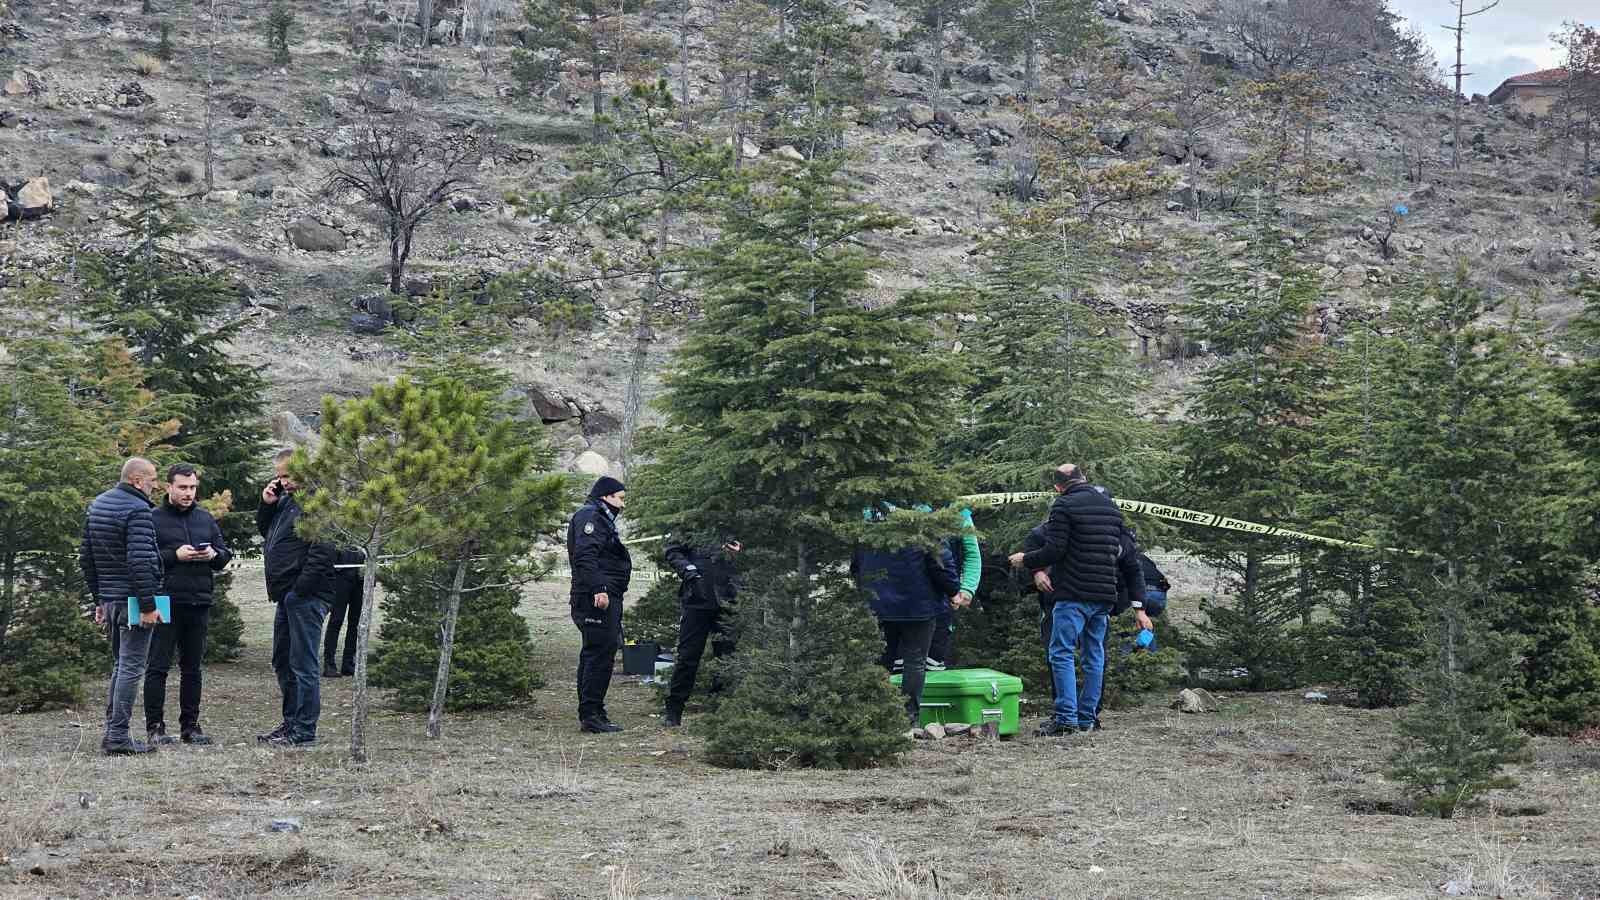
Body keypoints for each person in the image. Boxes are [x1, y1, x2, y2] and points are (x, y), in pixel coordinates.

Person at [1008, 464, 1131, 738]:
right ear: (1083, 478)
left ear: (1058, 487)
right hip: (1104, 595)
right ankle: (1087, 718)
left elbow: (1055, 549)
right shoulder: (1110, 507)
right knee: (1094, 655)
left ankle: (1065, 719)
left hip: (1073, 593)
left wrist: (1026, 560)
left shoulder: (1063, 505)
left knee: (1061, 653)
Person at [80, 457, 165, 755]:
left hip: (112, 599)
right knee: (131, 666)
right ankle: (117, 736)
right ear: (136, 480)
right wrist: (148, 605)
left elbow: (86, 558)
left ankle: (113, 729)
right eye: (152, 479)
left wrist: (99, 600)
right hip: (133, 600)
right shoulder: (138, 509)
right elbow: (140, 561)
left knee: (121, 664)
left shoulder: (98, 504)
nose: (156, 485)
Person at [145, 463, 232, 746]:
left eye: (192, 487)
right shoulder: (152, 518)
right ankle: (155, 727)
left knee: (192, 668)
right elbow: (143, 558)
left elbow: (224, 554)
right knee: (158, 666)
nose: (188, 493)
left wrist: (212, 554)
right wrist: (174, 555)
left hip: (198, 601)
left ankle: (190, 727)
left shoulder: (205, 518)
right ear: (168, 487)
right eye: (183, 487)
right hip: (164, 600)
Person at [853, 510, 967, 725]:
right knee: (915, 662)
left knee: (880, 662)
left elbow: (856, 567)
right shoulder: (926, 527)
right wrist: (954, 592)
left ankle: (877, 716)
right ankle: (908, 718)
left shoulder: (868, 529)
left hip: (879, 606)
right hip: (919, 608)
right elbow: (941, 565)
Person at [256, 448, 336, 747]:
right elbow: (269, 533)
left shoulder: (319, 503)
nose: (282, 481)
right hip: (287, 595)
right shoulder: (287, 500)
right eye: (278, 476)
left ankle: (304, 730)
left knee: (303, 663)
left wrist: (299, 589)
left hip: (306, 596)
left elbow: (323, 551)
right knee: (282, 660)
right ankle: (290, 723)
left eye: (287, 475)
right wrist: (267, 505)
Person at [567, 476, 632, 734]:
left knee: (598, 652)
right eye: (620, 498)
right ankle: (591, 714)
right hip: (595, 597)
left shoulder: (601, 517)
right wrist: (599, 588)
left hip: (603, 594)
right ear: (606, 496)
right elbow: (585, 555)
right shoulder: (591, 517)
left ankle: (592, 710)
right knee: (598, 653)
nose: (622, 505)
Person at [661, 536, 743, 728]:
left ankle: (720, 708)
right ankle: (674, 710)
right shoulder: (691, 524)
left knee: (727, 656)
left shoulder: (734, 518)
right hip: (697, 598)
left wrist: (739, 554)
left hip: (729, 598)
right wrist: (690, 572)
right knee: (688, 656)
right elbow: (673, 550)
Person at [926, 508, 981, 672]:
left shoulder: (959, 512)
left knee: (933, 667)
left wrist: (967, 589)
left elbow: (972, 554)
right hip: (898, 605)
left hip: (943, 602)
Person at [323, 548, 365, 677]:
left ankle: (348, 663)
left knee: (355, 622)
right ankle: (329, 664)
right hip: (340, 576)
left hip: (361, 577)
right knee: (336, 620)